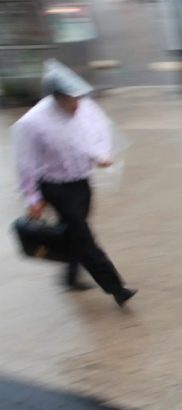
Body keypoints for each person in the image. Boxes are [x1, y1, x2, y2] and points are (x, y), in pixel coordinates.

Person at [12, 60, 137, 307]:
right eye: (71, 99)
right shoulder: (33, 123)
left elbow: (96, 132)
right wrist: (33, 198)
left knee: (74, 232)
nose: (78, 103)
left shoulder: (84, 108)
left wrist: (101, 154)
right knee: (84, 236)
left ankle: (69, 277)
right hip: (55, 186)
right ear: (56, 97)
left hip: (81, 182)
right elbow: (26, 164)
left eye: (79, 97)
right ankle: (117, 289)